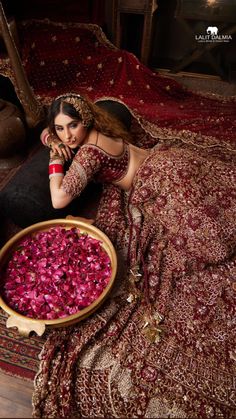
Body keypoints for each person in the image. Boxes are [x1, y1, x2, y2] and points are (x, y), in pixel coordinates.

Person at [33, 92, 236, 418]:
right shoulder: (101, 128)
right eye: (60, 128)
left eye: (73, 125)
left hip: (159, 183)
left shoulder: (88, 154)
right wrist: (52, 138)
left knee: (209, 240)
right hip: (166, 161)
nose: (68, 134)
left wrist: (54, 161)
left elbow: (59, 199)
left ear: (84, 121)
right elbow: (55, 135)